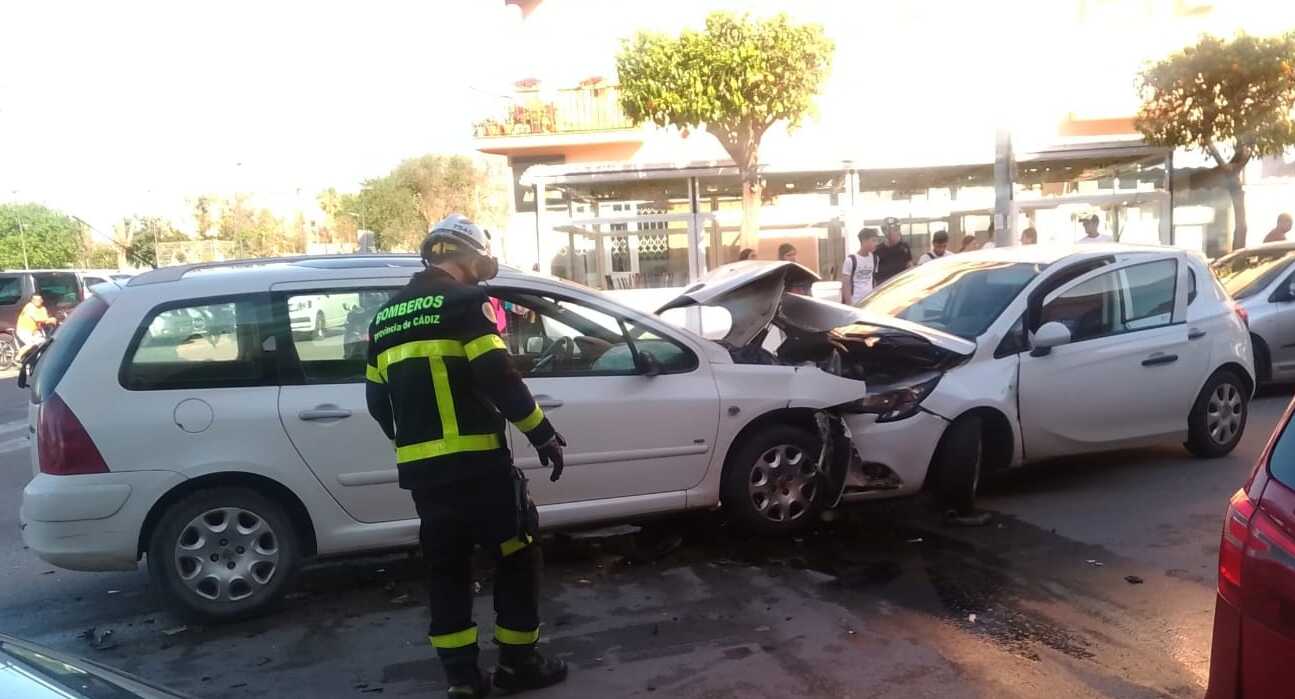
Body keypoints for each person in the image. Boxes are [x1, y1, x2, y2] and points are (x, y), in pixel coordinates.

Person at [365, 214, 569, 698]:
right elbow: (497, 374)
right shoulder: (465, 301)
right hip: (478, 467)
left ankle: (462, 679)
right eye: (482, 258)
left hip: (425, 476)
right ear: (466, 255)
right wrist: (542, 434)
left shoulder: (386, 315)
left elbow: (377, 402)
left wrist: (414, 444)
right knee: (517, 553)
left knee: (446, 567)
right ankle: (519, 664)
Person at [841, 227, 880, 304]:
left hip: (869, 301)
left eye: (877, 241)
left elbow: (874, 280)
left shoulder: (875, 259)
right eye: (873, 240)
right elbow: (846, 285)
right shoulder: (851, 260)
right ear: (864, 241)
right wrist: (849, 304)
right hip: (855, 301)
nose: (876, 244)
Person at [15, 294, 56, 362]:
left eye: (39, 300)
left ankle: (36, 358)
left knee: (43, 342)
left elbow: (45, 319)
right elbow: (36, 318)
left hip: (35, 330)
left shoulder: (43, 308)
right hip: (24, 330)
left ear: (42, 300)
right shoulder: (29, 307)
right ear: (32, 300)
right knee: (31, 343)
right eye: (35, 300)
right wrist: (50, 320)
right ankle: (17, 357)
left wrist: (51, 320)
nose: (37, 301)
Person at [874, 217, 912, 284]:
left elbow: (909, 265)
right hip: (884, 288)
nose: (894, 232)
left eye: (896, 229)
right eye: (890, 230)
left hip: (902, 285)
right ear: (884, 232)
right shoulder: (877, 250)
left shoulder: (904, 247)